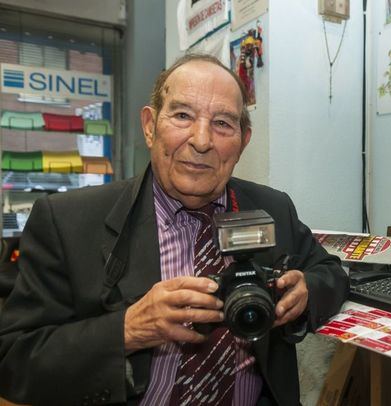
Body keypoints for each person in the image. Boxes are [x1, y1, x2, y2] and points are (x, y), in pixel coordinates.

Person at [0, 54, 349, 406]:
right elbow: (12, 361)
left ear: (243, 141)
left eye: (223, 123)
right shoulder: (68, 222)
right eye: (182, 115)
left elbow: (331, 273)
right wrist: (127, 330)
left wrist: (305, 293)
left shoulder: (272, 208)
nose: (201, 140)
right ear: (150, 126)